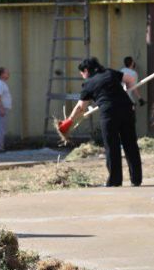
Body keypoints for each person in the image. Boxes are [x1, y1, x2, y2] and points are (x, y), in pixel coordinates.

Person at [58, 58, 142, 187]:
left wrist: (68, 121)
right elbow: (130, 80)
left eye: (82, 74)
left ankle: (115, 181)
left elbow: (81, 107)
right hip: (127, 109)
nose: (82, 77)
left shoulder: (88, 84)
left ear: (86, 70)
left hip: (109, 114)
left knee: (112, 146)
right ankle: (136, 179)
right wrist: (125, 92)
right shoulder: (110, 72)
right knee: (130, 144)